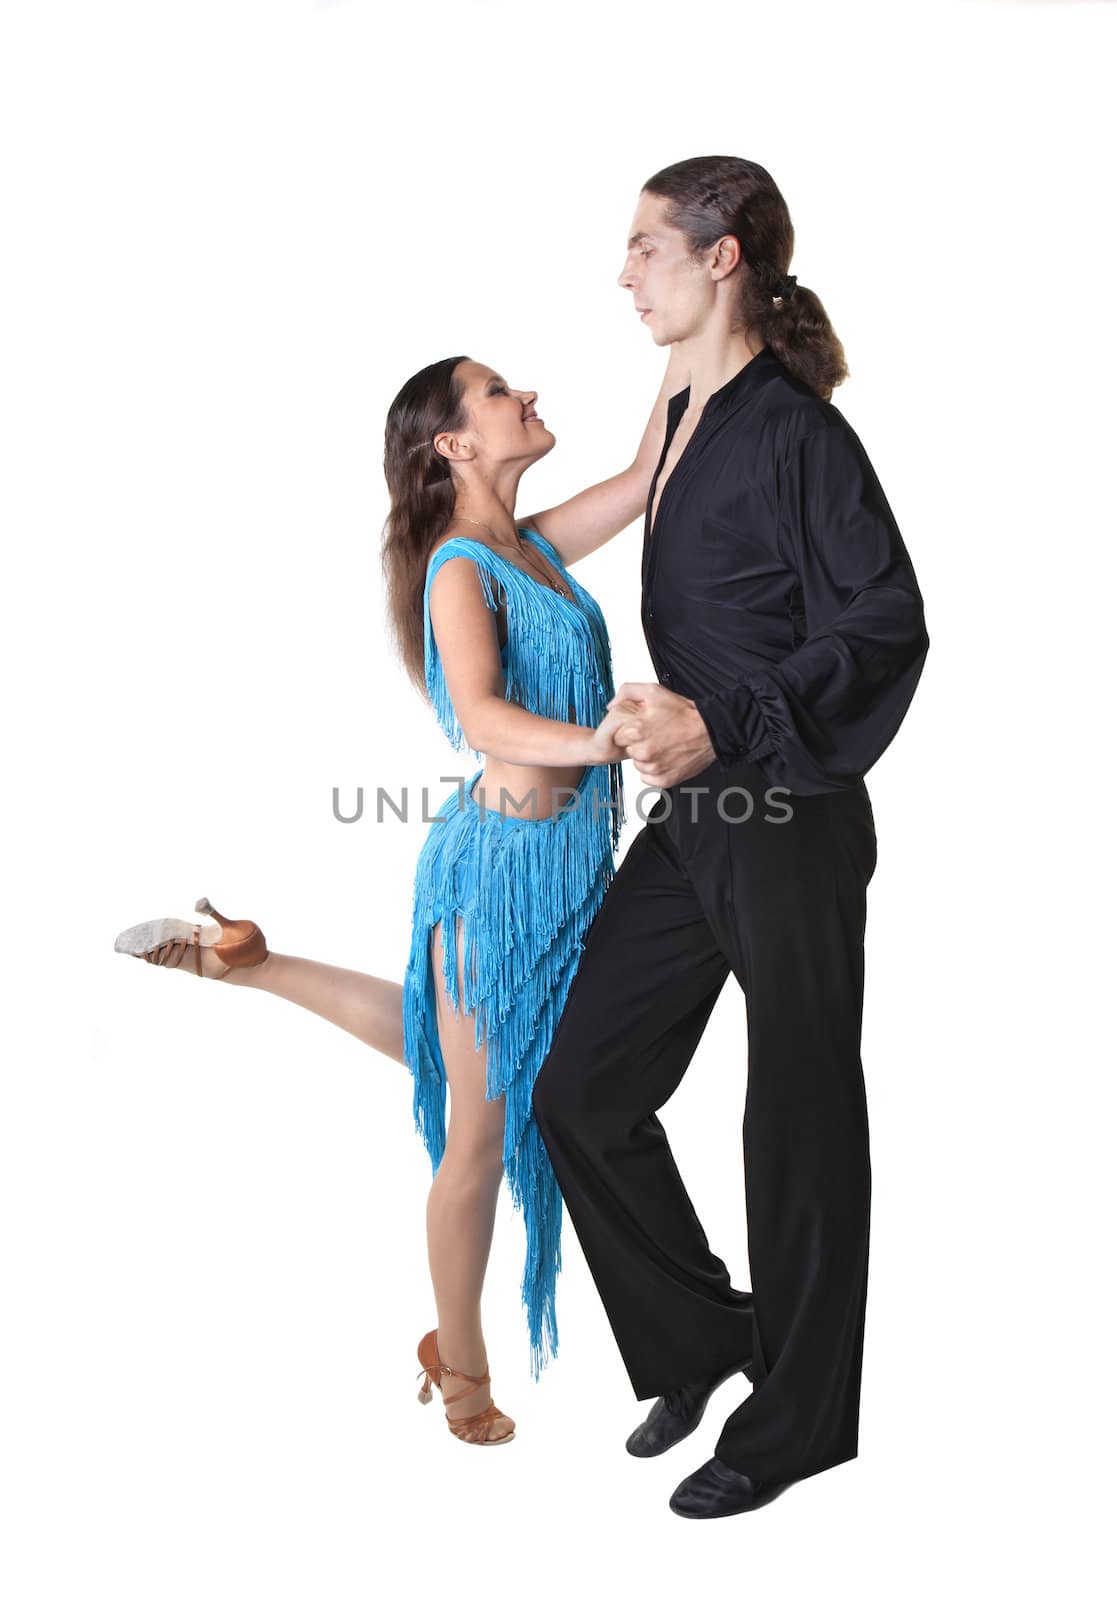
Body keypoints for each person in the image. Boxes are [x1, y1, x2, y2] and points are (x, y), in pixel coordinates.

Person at [113, 347, 686, 1445]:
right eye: (499, 393)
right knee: (477, 1129)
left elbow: (650, 464)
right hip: (499, 876)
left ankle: (252, 962)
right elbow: (479, 718)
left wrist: (687, 334)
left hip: (567, 871)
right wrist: (605, 740)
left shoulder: (535, 548)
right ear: (455, 444)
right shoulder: (460, 566)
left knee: (462, 1056)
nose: (528, 396)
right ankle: (457, 1362)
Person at [532, 156, 931, 1515]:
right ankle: (710, 1338)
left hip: (789, 811)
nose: (624, 269)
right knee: (577, 1086)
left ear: (722, 256)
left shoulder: (798, 435)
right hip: (701, 811)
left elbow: (882, 623)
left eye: (649, 244)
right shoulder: (692, 404)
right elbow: (634, 469)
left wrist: (728, 717)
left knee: (798, 1112)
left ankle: (804, 1418)